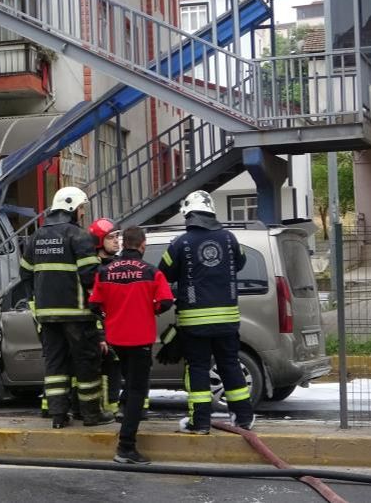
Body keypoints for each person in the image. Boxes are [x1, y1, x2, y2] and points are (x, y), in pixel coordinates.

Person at [158, 190, 254, 434]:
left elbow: (163, 274)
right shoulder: (230, 238)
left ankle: (200, 422)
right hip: (228, 321)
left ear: (189, 214)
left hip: (194, 322)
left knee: (198, 368)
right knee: (230, 365)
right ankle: (243, 418)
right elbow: (241, 263)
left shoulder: (180, 243)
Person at [20, 187, 114, 428]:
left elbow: (25, 273)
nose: (83, 213)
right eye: (82, 208)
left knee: (55, 365)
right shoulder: (79, 236)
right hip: (78, 315)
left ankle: (58, 416)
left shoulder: (36, 237)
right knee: (86, 363)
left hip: (47, 316)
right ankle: (92, 415)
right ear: (72, 208)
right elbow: (90, 276)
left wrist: (38, 302)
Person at [90, 226, 174, 464]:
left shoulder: (105, 272)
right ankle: (126, 447)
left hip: (116, 339)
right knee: (138, 391)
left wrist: (111, 314)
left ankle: (124, 421)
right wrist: (151, 308)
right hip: (140, 340)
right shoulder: (151, 272)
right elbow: (166, 302)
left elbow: (94, 305)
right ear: (142, 245)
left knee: (128, 383)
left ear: (124, 243)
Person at [87, 218, 124, 420]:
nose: (117, 241)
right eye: (111, 237)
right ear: (99, 241)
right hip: (97, 329)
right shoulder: (92, 269)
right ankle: (102, 407)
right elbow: (92, 304)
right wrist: (100, 333)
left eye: (118, 236)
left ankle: (113, 405)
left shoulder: (119, 265)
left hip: (117, 327)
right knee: (100, 369)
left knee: (115, 368)